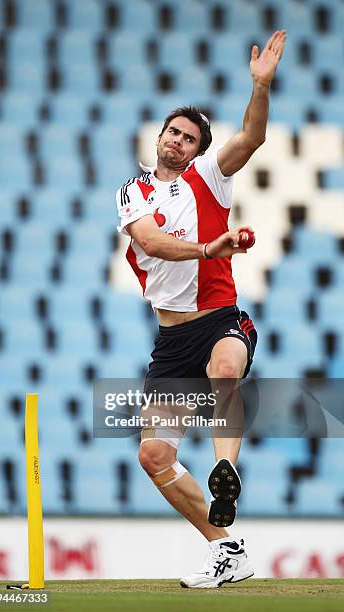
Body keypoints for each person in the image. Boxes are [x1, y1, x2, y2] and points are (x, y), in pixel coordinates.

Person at [116, 30, 286, 588]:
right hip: (170, 340)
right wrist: (210, 247)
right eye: (173, 131)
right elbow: (152, 242)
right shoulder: (134, 191)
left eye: (189, 138)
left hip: (219, 320)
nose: (178, 141)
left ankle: (225, 471)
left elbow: (252, 137)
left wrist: (259, 87)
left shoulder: (210, 176)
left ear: (197, 149)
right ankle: (228, 549)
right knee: (154, 454)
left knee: (226, 367)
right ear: (160, 137)